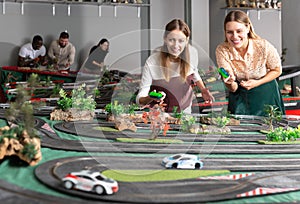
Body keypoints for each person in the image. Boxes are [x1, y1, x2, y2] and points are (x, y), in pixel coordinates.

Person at [136, 19, 214, 114]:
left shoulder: (192, 53)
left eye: (181, 41)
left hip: (185, 114)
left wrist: (202, 89)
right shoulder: (152, 61)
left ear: (187, 40)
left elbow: (194, 72)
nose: (176, 45)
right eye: (171, 40)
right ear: (165, 38)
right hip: (159, 116)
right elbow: (139, 100)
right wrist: (151, 97)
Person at [215, 10, 285, 116]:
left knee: (271, 128)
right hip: (239, 96)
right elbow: (233, 88)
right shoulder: (221, 50)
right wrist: (229, 82)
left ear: (247, 28)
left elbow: (277, 70)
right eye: (229, 32)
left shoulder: (263, 46)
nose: (234, 36)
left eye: (239, 31)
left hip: (266, 93)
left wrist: (257, 83)